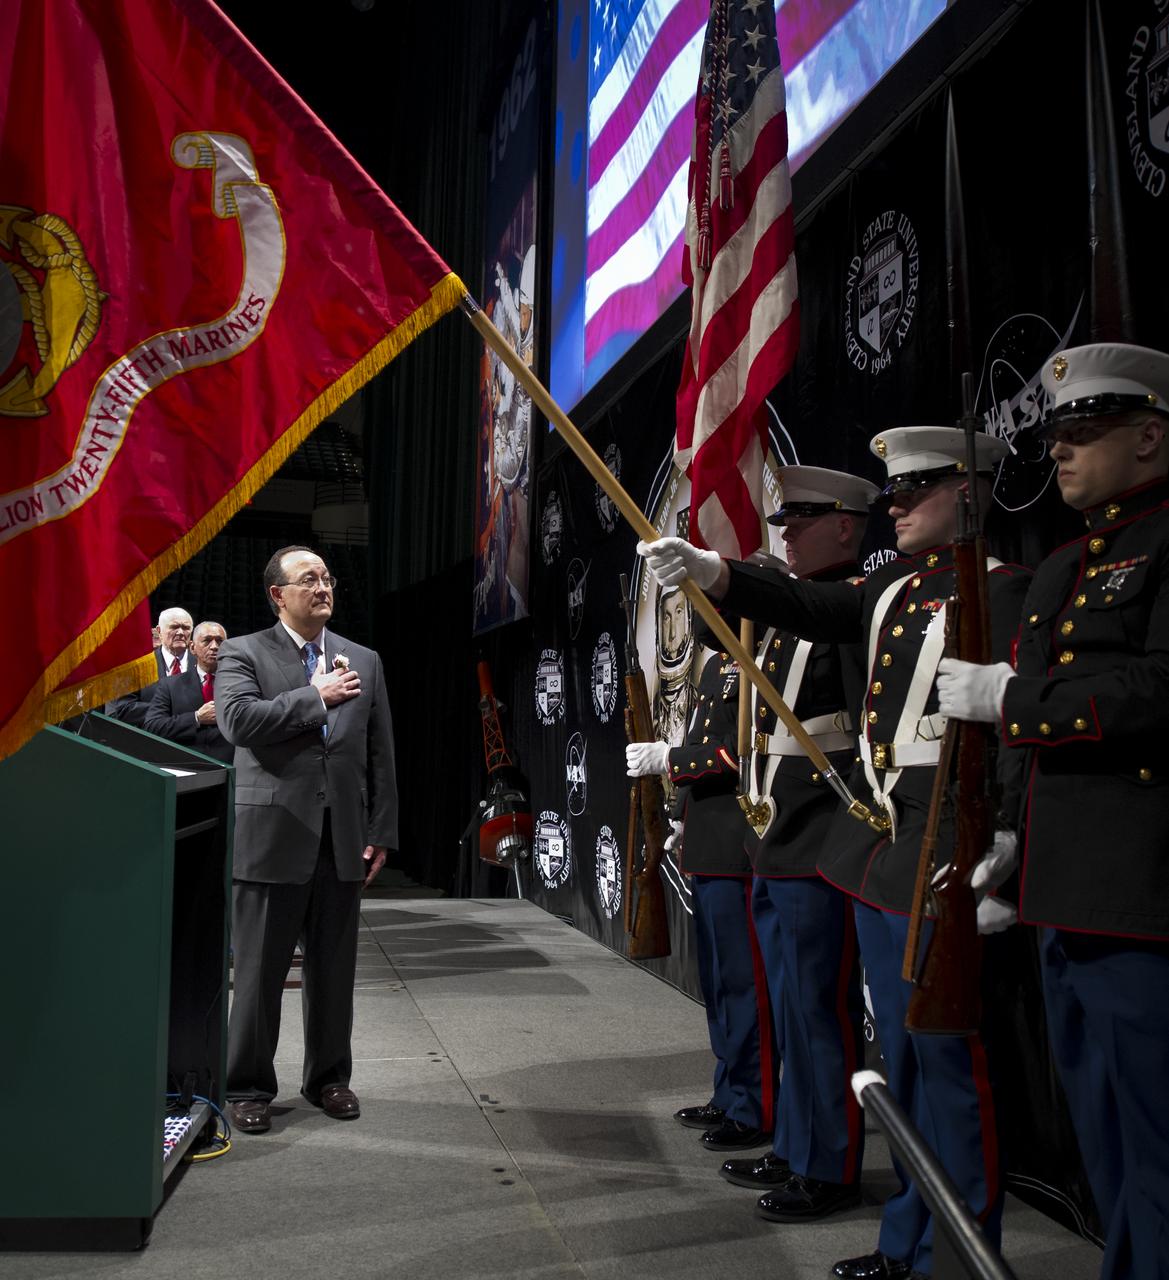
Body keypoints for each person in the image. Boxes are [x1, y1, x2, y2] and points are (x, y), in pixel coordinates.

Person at [639, 425, 1030, 1279]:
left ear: (969, 492)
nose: (897, 506)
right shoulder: (889, 591)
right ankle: (909, 1243)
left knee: (945, 1067)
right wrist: (714, 573)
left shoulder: (1007, 588)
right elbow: (810, 606)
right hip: (885, 850)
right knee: (904, 1062)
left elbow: (1013, 735)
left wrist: (1004, 832)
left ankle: (955, 1254)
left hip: (940, 846)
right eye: (892, 493)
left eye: (916, 491)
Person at [936, 342, 1169, 1280]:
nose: (1061, 451)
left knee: (1155, 1138)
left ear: (1150, 435)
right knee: (1104, 1136)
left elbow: (1156, 689)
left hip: (1138, 895)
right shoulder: (1061, 566)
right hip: (1059, 892)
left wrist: (1010, 701)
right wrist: (1009, 840)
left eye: (1085, 431)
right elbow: (1039, 748)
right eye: (1057, 435)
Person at [719, 468, 874, 1225]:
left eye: (805, 519)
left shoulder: (852, 611)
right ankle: (795, 1141)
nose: (787, 532)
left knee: (818, 1008)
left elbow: (863, 732)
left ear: (847, 525)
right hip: (775, 832)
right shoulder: (785, 623)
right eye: (785, 519)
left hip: (821, 830)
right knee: (787, 1003)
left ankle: (829, 1163)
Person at [216, 546, 398, 1135]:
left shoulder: (363, 659)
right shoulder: (243, 652)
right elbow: (239, 722)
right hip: (271, 838)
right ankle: (247, 1086)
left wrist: (380, 832)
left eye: (327, 578)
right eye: (308, 579)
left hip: (342, 839)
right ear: (278, 594)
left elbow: (379, 754)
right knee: (260, 975)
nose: (322, 587)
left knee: (334, 971)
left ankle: (329, 1079)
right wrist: (314, 697)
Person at [628, 634, 776, 1152]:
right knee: (717, 985)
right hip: (708, 841)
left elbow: (738, 753)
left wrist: (670, 759)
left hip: (740, 845)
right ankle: (730, 1092)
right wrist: (682, 814)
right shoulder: (716, 668)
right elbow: (704, 733)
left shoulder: (762, 663)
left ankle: (756, 1105)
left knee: (744, 986)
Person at [143, 621, 232, 764]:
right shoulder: (170, 685)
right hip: (184, 767)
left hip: (230, 769)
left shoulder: (240, 684)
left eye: (220, 641)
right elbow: (153, 726)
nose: (214, 647)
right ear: (192, 647)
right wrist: (196, 718)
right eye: (207, 641)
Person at [106, 606, 193, 727]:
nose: (180, 632)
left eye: (186, 628)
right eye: (174, 627)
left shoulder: (203, 665)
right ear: (159, 630)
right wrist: (172, 710)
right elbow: (121, 709)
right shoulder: (133, 665)